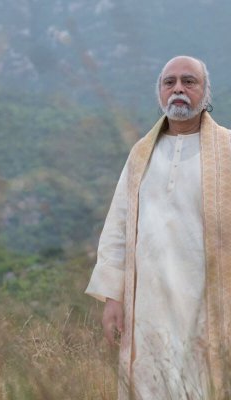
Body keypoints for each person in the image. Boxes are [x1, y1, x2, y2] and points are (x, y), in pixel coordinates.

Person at [85, 55, 231, 400]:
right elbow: (118, 228)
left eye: (189, 81)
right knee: (149, 384)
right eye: (170, 82)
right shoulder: (140, 154)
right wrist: (113, 298)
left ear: (205, 92)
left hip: (206, 301)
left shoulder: (228, 151)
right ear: (160, 93)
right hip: (146, 304)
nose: (178, 89)